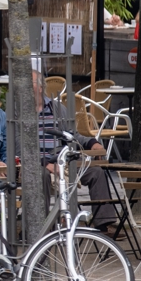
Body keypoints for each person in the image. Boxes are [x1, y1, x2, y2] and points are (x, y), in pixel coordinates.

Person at [32, 73, 116, 230]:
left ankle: (105, 222)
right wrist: (44, 163)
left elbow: (73, 136)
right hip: (35, 164)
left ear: (41, 87)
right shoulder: (19, 112)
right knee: (41, 175)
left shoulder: (58, 109)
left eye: (31, 83)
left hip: (62, 160)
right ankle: (41, 226)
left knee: (96, 172)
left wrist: (93, 143)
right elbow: (18, 146)